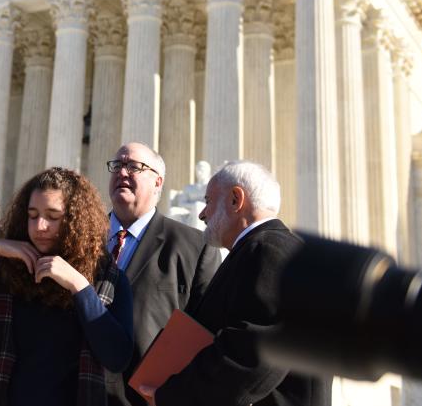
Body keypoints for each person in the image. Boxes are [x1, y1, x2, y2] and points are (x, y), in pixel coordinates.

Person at [141, 161, 332, 406]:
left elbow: (254, 352)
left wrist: (172, 395)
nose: (201, 214)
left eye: (208, 201)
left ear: (235, 200)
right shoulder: (271, 250)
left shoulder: (267, 250)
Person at [0, 167, 134, 406]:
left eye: (53, 216)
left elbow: (117, 357)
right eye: (32, 214)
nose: (39, 226)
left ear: (75, 220)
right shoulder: (2, 271)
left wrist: (79, 285)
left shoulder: (108, 280)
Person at [105, 142, 221, 406]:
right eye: (117, 165)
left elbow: (207, 333)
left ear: (158, 182)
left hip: (147, 398)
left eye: (134, 166)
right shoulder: (79, 238)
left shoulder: (194, 248)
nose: (122, 172)